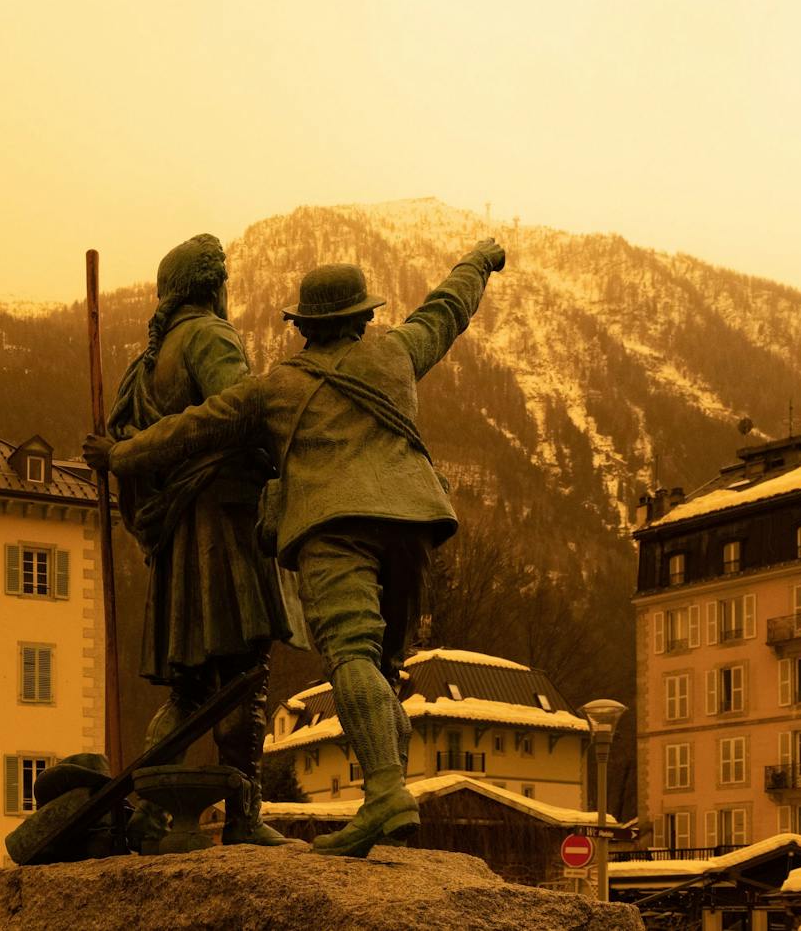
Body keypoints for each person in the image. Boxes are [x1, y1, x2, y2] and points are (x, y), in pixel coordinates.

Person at [86, 240, 506, 857]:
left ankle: (386, 795)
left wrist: (118, 455)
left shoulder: (274, 387)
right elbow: (446, 308)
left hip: (333, 526)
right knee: (382, 669)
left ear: (304, 325)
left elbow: (192, 427)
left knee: (351, 656)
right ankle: (386, 792)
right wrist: (479, 261)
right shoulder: (396, 353)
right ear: (364, 317)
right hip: (416, 524)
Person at [105, 233, 307, 847]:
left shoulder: (147, 364)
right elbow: (240, 411)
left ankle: (149, 809)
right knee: (246, 673)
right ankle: (245, 817)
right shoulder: (210, 337)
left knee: (190, 686)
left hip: (178, 535)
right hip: (223, 523)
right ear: (211, 285)